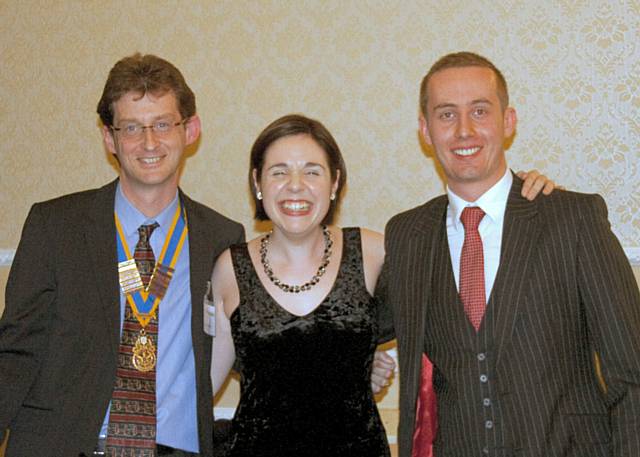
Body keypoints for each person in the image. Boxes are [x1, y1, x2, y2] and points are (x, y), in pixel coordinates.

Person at [210, 114, 554, 456]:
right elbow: (205, 383)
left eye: (312, 171)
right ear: (258, 182)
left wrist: (515, 196)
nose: (295, 184)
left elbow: (465, 263)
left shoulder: (376, 252)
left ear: (334, 183)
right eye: (279, 172)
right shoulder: (229, 267)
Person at [377, 51, 640, 457]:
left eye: (479, 111)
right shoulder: (407, 234)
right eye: (446, 115)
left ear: (508, 121)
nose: (464, 130)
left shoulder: (572, 218)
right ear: (425, 130)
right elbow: (348, 328)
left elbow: (631, 374)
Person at [0, 53, 244, 457]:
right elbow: (15, 352)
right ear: (109, 139)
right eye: (132, 127)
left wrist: (350, 363)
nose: (149, 143)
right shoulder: (55, 226)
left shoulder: (221, 237)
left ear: (191, 130)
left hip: (175, 447)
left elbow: (259, 343)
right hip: (65, 445)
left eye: (163, 124)